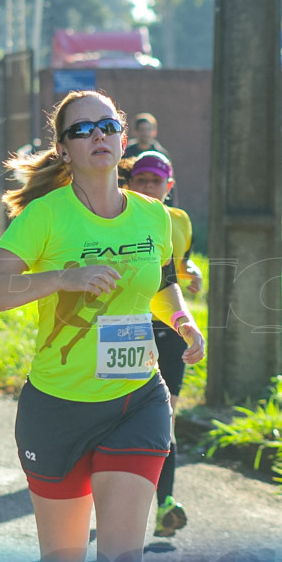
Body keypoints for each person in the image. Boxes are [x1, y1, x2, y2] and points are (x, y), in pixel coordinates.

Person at [0, 90, 205, 562]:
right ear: (64, 150)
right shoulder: (45, 217)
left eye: (107, 125)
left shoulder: (154, 216)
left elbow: (162, 287)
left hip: (135, 402)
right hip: (56, 410)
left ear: (123, 138)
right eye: (82, 129)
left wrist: (183, 321)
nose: (97, 134)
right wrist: (61, 279)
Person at [125, 151, 203, 538]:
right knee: (119, 412)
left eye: (156, 181)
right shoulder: (121, 216)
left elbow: (179, 264)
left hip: (171, 327)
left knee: (164, 416)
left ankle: (165, 503)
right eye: (141, 180)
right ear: (130, 183)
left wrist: (195, 274)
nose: (148, 187)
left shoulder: (180, 220)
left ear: (169, 186)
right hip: (129, 326)